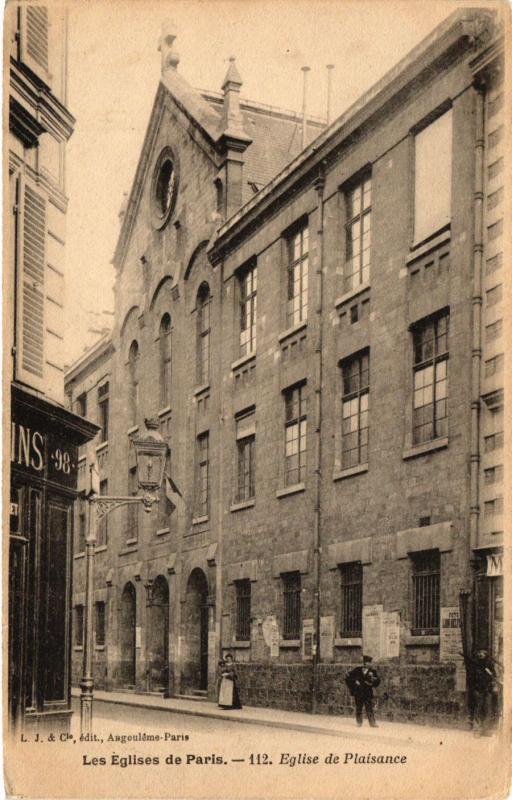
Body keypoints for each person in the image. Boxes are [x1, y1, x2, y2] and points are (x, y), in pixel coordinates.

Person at [467, 649, 498, 736]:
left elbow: (494, 676)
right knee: (478, 709)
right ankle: (477, 730)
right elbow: (471, 678)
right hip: (478, 690)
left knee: (487, 709)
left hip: (487, 690)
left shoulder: (489, 664)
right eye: (479, 652)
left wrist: (490, 674)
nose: (481, 654)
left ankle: (485, 730)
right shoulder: (475, 665)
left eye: (483, 652)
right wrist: (474, 689)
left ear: (486, 654)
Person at [345, 655, 380, 727]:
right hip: (358, 693)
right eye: (368, 663)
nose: (370, 664)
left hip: (367, 693)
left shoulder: (373, 671)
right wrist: (355, 682)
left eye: (370, 663)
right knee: (359, 707)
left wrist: (372, 682)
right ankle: (359, 722)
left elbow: (378, 682)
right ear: (364, 663)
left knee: (369, 708)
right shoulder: (357, 670)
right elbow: (348, 678)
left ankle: (372, 723)